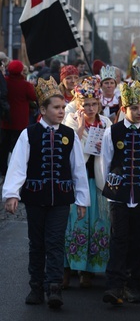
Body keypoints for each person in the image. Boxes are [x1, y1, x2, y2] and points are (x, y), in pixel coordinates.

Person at [1, 77, 89, 309]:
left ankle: (54, 287)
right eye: (56, 108)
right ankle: (36, 287)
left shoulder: (70, 136)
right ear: (43, 109)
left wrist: (82, 199)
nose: (61, 111)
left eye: (62, 108)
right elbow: (18, 165)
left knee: (55, 242)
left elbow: (77, 169)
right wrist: (12, 193)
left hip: (61, 198)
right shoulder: (29, 134)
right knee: (36, 243)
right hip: (35, 198)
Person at [101, 81, 140, 305]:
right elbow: (106, 162)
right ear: (124, 109)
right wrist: (115, 186)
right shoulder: (113, 131)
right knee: (118, 238)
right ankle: (114, 284)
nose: (139, 112)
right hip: (119, 194)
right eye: (134, 108)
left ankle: (133, 283)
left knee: (138, 240)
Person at [63, 75, 112, 289]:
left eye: (94, 104)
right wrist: (81, 129)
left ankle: (89, 270)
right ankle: (69, 267)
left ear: (99, 103)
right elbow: (68, 151)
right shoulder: (71, 120)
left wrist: (104, 149)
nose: (90, 108)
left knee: (97, 223)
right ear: (79, 104)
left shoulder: (106, 122)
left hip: (97, 180)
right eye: (86, 104)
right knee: (75, 225)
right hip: (78, 182)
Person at [0, 60, 37, 178]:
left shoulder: (4, 82)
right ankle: (16, 171)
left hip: (6, 120)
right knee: (18, 148)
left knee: (4, 148)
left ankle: (3, 171)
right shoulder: (25, 85)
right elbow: (33, 96)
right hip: (20, 121)